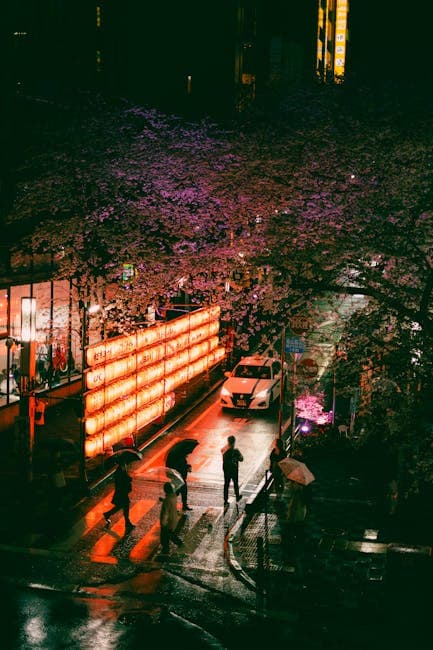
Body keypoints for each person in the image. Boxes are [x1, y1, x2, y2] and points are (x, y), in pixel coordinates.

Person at [103, 461, 135, 533]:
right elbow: (121, 480)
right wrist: (128, 479)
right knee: (125, 506)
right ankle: (127, 522)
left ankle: (108, 514)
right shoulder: (119, 470)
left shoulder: (123, 467)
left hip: (122, 492)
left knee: (121, 506)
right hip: (121, 492)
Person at [159, 482, 183, 555]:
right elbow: (170, 504)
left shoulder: (167, 500)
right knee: (170, 534)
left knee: (164, 537)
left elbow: (165, 513)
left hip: (168, 521)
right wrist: (163, 500)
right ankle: (179, 543)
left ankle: (166, 549)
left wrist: (163, 523)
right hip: (173, 519)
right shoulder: (173, 497)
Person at [221, 435, 244, 506]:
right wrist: (236, 459)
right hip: (234, 469)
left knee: (226, 485)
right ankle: (237, 496)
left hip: (226, 469)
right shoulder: (235, 451)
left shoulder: (224, 449)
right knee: (235, 483)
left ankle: (225, 500)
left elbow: (222, 451)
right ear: (234, 442)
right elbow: (242, 459)